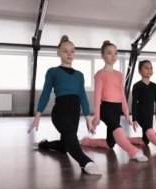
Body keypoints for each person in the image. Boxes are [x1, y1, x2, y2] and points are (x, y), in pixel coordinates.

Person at [28, 35, 101, 175]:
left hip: (75, 113)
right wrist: (37, 117)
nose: (69, 54)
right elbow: (45, 94)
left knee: (65, 146)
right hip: (59, 112)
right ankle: (85, 162)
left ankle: (44, 144)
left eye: (72, 51)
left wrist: (88, 119)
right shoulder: (52, 72)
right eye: (65, 50)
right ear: (58, 53)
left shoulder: (79, 75)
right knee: (72, 138)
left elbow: (83, 96)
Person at [84, 40, 148, 162]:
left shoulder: (119, 74)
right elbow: (97, 97)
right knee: (117, 127)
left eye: (115, 53)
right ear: (102, 56)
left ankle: (87, 141)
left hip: (116, 108)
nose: (113, 56)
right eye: (109, 53)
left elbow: (121, 94)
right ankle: (132, 151)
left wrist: (126, 111)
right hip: (105, 108)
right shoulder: (100, 74)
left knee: (110, 143)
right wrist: (96, 116)